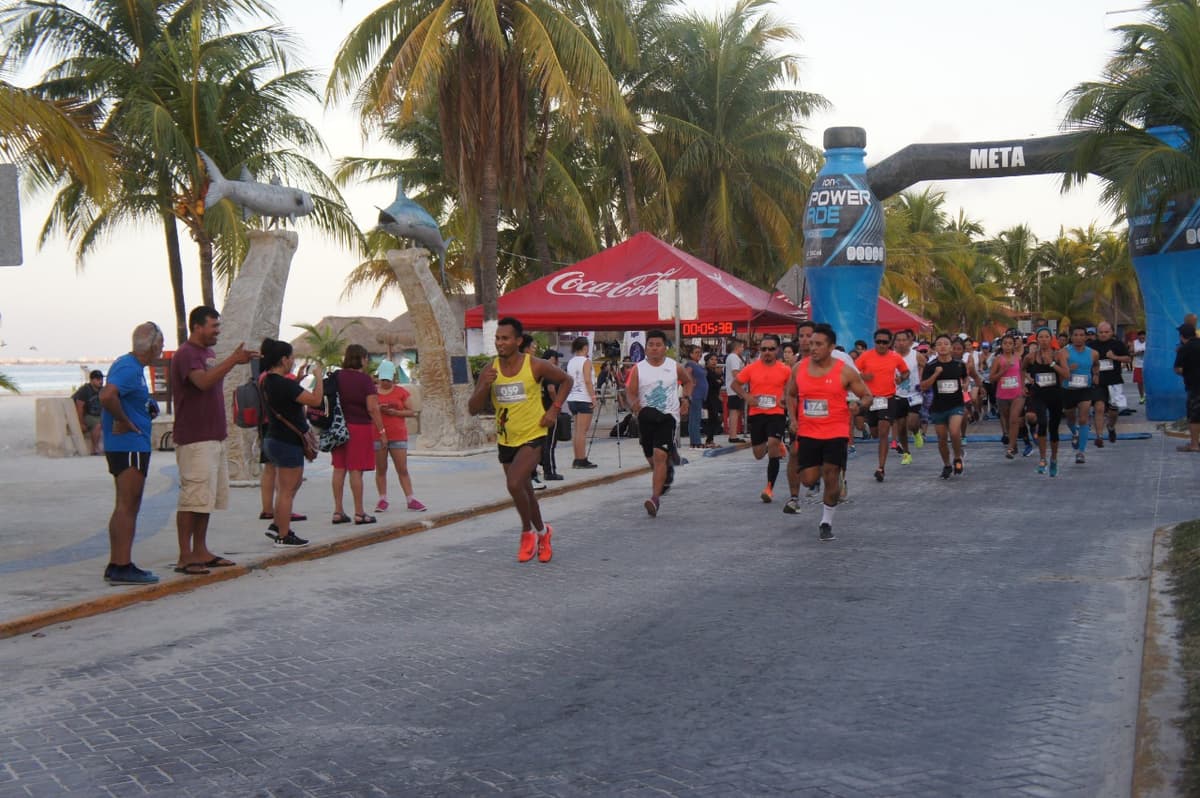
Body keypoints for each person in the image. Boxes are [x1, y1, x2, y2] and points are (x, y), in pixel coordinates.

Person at [468, 317, 573, 562]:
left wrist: (554, 410)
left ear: (518, 341)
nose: (500, 343)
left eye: (505, 338)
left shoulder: (534, 365)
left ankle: (527, 532)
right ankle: (543, 533)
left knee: (514, 483)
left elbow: (567, 380)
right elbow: (472, 408)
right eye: (497, 338)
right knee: (525, 491)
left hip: (533, 434)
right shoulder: (490, 369)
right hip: (506, 439)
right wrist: (484, 386)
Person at [171, 306, 255, 576]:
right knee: (192, 497)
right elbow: (203, 382)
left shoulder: (207, 354)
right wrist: (233, 360)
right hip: (195, 439)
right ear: (197, 326)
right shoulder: (187, 354)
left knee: (205, 499)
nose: (217, 331)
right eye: (213, 326)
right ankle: (185, 556)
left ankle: (201, 550)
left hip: (214, 436)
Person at [785, 324, 871, 539]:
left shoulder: (844, 371)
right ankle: (828, 476)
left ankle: (826, 522)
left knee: (831, 474)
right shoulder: (799, 368)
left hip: (836, 431)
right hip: (808, 432)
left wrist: (859, 406)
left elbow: (867, 395)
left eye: (818, 344)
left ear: (831, 347)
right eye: (811, 343)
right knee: (808, 479)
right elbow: (791, 394)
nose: (812, 347)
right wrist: (793, 419)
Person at [98, 322, 165, 584]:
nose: (162, 349)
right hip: (129, 446)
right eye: (161, 344)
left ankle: (119, 563)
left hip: (129, 445)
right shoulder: (128, 367)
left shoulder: (132, 367)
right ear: (154, 345)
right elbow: (107, 396)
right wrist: (124, 420)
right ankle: (121, 564)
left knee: (127, 505)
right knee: (128, 504)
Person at [259, 338, 324, 546]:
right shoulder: (283, 383)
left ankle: (278, 525)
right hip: (287, 441)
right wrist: (319, 378)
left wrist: (297, 380)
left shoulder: (267, 381)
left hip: (273, 438)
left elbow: (287, 397)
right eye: (291, 357)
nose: (293, 361)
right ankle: (283, 535)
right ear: (284, 359)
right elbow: (315, 400)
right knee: (287, 490)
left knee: (287, 487)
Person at [625, 330, 693, 518]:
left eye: (658, 345)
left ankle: (655, 499)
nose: (654, 348)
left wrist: (686, 399)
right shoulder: (638, 368)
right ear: (646, 348)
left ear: (665, 348)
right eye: (651, 345)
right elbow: (630, 392)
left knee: (659, 455)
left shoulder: (674, 366)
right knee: (651, 458)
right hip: (646, 417)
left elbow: (688, 382)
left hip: (668, 416)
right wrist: (633, 403)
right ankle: (667, 470)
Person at [328, 344, 388, 525]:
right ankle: (359, 513)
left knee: (339, 468)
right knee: (356, 470)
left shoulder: (336, 376)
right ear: (362, 359)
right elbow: (372, 408)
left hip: (338, 427)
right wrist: (382, 431)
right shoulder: (365, 380)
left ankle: (338, 511)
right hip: (359, 427)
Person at [730, 333, 791, 500]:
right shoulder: (751, 368)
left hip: (776, 413)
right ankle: (776, 445)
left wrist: (785, 397)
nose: (767, 352)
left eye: (771, 349)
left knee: (772, 443)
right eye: (764, 349)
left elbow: (792, 389)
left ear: (777, 350)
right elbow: (735, 384)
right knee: (758, 454)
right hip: (757, 414)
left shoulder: (785, 370)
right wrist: (747, 396)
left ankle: (769, 488)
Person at [853, 328, 910, 482]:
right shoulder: (866, 356)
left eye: (885, 342)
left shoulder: (895, 357)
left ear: (890, 343)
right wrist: (863, 376)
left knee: (884, 432)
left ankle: (881, 468)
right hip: (870, 399)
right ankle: (869, 429)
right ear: (874, 342)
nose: (881, 345)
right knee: (875, 432)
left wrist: (901, 379)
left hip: (887, 398)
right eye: (878, 342)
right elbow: (853, 372)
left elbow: (906, 372)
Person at [374, 359, 426, 513]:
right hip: (378, 434)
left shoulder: (401, 392)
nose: (385, 383)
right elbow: (368, 410)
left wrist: (396, 412)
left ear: (393, 378)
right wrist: (379, 408)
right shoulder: (372, 393)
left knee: (402, 468)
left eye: (388, 380)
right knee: (381, 468)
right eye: (383, 380)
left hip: (397, 434)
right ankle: (382, 499)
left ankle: (410, 498)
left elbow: (412, 411)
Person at [920, 334, 969, 479]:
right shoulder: (931, 366)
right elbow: (923, 386)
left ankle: (958, 457)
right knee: (942, 438)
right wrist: (936, 374)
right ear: (935, 348)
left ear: (951, 347)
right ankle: (947, 464)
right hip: (938, 407)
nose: (942, 346)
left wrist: (966, 383)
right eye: (939, 344)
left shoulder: (959, 364)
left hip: (956, 404)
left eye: (946, 344)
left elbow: (965, 376)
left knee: (954, 432)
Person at [1023, 327, 1069, 476]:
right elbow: (1022, 369)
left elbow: (1066, 374)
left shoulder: (1058, 354)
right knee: (1042, 422)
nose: (1043, 340)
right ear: (1037, 339)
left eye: (1046, 337)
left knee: (1054, 428)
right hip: (1038, 394)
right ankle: (1042, 459)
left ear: (1051, 338)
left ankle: (1054, 459)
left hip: (1055, 394)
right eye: (1041, 337)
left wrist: (1052, 364)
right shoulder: (1031, 357)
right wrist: (1026, 381)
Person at [1059, 324, 1100, 465]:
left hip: (1085, 389)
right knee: (1070, 418)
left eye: (1081, 335)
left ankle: (1081, 452)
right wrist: (1069, 369)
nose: (1078, 338)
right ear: (1071, 337)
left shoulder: (1093, 353)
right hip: (1068, 389)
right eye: (1075, 335)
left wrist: (1096, 374)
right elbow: (1060, 370)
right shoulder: (1064, 352)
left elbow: (1096, 364)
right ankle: (1075, 432)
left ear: (1086, 337)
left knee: (1083, 419)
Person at [1088, 321, 1131, 447]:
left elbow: (1128, 359)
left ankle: (1111, 427)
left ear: (1112, 332)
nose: (1103, 334)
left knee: (1113, 410)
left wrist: (1115, 357)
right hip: (1098, 381)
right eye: (1101, 332)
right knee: (1099, 407)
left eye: (1106, 332)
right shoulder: (1091, 345)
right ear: (1097, 333)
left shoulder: (1117, 344)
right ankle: (1099, 436)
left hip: (1114, 381)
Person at [990, 334, 1028, 459]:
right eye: (1005, 343)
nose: (1007, 346)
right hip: (1002, 395)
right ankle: (1014, 443)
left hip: (1017, 394)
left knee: (1014, 419)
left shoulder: (1018, 358)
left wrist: (1023, 386)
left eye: (1010, 343)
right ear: (1001, 345)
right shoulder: (998, 360)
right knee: (1006, 420)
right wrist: (1003, 370)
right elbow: (991, 378)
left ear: (1013, 345)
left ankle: (1010, 448)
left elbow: (1021, 373)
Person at [565, 336, 598, 468]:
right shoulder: (586, 361)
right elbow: (588, 380)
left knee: (577, 430)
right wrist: (593, 397)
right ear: (585, 347)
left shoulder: (571, 361)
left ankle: (577, 458)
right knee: (582, 431)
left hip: (572, 397)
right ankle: (581, 458)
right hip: (584, 397)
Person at [892, 329, 926, 458]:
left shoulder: (916, 355)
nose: (901, 343)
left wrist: (923, 381)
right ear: (894, 342)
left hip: (914, 394)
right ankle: (906, 453)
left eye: (904, 340)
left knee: (912, 422)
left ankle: (916, 432)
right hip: (897, 394)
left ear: (910, 341)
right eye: (898, 340)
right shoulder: (891, 356)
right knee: (901, 427)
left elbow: (927, 368)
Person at [538, 348, 566, 481]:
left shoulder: (540, 372)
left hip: (541, 410)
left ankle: (541, 465)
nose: (557, 361)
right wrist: (557, 405)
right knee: (550, 443)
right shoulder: (549, 373)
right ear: (550, 359)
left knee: (543, 442)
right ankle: (550, 471)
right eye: (555, 358)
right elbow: (551, 389)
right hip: (550, 411)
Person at [1174, 322, 1200, 452]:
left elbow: (1178, 369)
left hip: (1195, 386)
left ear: (1182, 336)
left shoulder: (1184, 348)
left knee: (1194, 416)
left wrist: (1188, 372)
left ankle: (1194, 444)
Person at [73, 369, 105, 455]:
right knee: (98, 425)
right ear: (91, 380)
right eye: (98, 379)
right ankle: (94, 449)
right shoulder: (85, 390)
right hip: (88, 415)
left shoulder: (102, 390)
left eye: (101, 379)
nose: (101, 381)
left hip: (99, 415)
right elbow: (79, 407)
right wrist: (81, 423)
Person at [684, 345, 709, 448]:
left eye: (700, 352)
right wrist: (691, 383)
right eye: (696, 352)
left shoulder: (697, 364)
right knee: (695, 418)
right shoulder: (690, 364)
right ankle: (696, 441)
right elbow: (686, 376)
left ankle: (694, 441)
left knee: (695, 418)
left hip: (699, 394)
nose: (699, 354)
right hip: (695, 394)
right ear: (691, 354)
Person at [723, 339, 746, 443]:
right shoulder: (734, 357)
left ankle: (733, 434)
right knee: (734, 412)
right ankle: (733, 435)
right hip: (735, 389)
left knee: (736, 412)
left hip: (736, 388)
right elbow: (735, 373)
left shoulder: (734, 357)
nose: (743, 349)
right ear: (737, 347)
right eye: (742, 347)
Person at [703, 353, 723, 447]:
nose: (714, 361)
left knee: (714, 419)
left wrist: (719, 381)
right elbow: (715, 383)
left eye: (715, 359)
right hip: (708, 399)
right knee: (711, 419)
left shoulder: (714, 372)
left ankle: (710, 439)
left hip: (714, 398)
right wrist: (719, 381)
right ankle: (709, 440)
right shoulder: (706, 372)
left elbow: (719, 383)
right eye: (712, 359)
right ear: (707, 361)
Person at [1133, 330, 1147, 404]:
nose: (1142, 338)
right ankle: (1142, 397)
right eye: (1140, 337)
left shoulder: (1149, 342)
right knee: (1140, 382)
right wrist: (1137, 353)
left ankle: (1147, 396)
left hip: (1147, 365)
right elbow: (1130, 353)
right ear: (1138, 337)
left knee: (1148, 381)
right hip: (1138, 365)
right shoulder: (1134, 343)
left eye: (1143, 337)